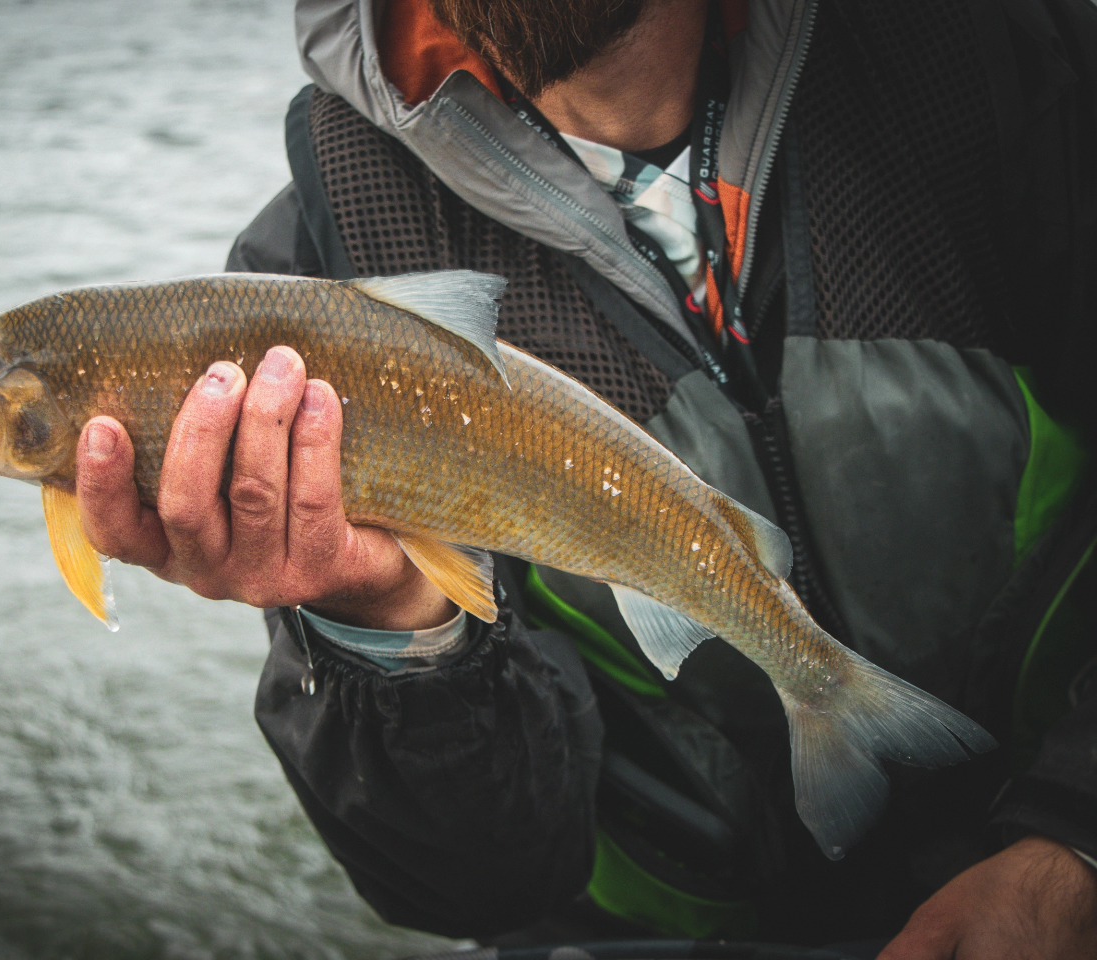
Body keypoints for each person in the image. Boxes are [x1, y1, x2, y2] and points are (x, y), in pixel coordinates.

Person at [75, 0, 1097, 953]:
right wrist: (391, 627)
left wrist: (1074, 835)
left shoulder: (1009, 56)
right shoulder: (312, 275)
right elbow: (477, 887)